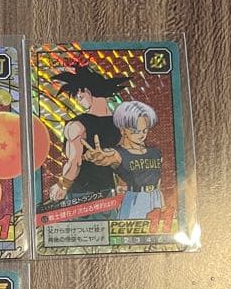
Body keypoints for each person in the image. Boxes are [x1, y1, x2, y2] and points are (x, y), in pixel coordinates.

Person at [47, 65, 130, 203]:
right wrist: (123, 184)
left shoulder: (77, 126)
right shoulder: (121, 125)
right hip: (108, 191)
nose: (78, 101)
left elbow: (75, 162)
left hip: (81, 193)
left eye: (79, 97)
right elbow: (123, 160)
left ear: (87, 91)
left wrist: (62, 185)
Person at [82, 100, 164, 219]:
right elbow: (107, 157)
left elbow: (158, 183)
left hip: (156, 200)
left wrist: (163, 205)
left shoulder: (155, 153)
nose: (141, 135)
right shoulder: (119, 153)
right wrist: (97, 156)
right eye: (135, 131)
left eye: (144, 130)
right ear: (122, 130)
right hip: (135, 201)